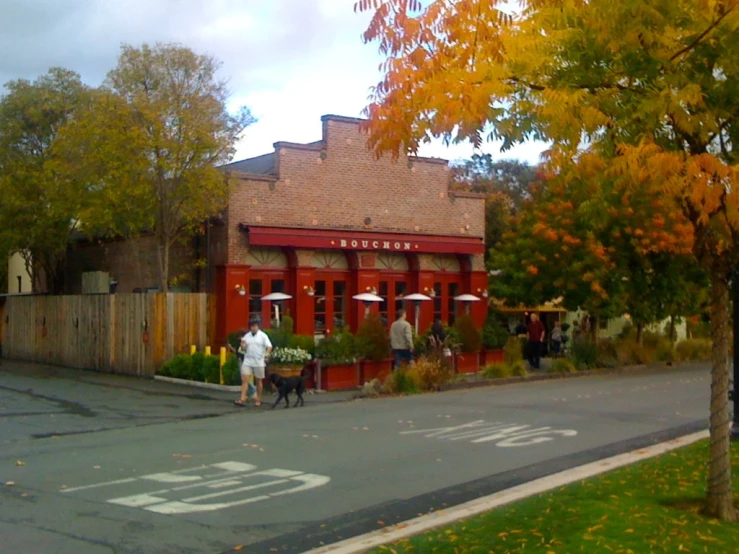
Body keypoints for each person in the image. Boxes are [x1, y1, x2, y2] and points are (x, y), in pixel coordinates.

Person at [234, 319, 272, 408]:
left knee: (259, 380)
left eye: (255, 326)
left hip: (259, 361)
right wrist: (243, 346)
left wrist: (266, 355)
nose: (254, 328)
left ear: (258, 326)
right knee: (245, 380)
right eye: (252, 326)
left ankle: (258, 399)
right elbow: (243, 348)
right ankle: (242, 398)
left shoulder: (263, 336)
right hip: (248, 360)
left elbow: (269, 346)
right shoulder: (247, 336)